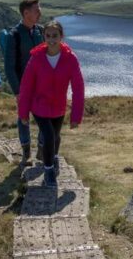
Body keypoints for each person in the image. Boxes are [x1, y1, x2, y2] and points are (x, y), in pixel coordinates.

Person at [18, 20, 84, 187]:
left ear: (61, 36)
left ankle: (53, 157)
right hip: (39, 106)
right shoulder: (36, 58)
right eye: (48, 35)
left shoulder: (70, 58)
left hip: (59, 107)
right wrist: (23, 113)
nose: (51, 39)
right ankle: (48, 171)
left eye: (55, 35)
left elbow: (78, 87)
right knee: (48, 136)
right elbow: (26, 87)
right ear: (44, 37)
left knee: (55, 136)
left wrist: (76, 116)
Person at [4, 0, 44, 165]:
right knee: (23, 119)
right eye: (36, 10)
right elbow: (9, 66)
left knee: (45, 118)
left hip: (42, 85)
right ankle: (26, 152)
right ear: (26, 13)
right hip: (24, 87)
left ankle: (42, 151)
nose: (39, 12)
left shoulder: (40, 31)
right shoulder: (14, 35)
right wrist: (17, 91)